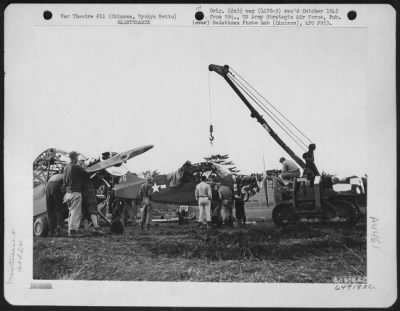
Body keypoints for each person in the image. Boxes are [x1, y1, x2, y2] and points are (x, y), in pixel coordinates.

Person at [63, 151, 89, 237]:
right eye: (77, 157)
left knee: (71, 212)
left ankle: (70, 230)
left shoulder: (66, 167)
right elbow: (87, 172)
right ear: (75, 158)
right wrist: (83, 166)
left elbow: (64, 182)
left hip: (68, 193)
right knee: (75, 212)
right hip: (75, 192)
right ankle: (73, 231)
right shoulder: (76, 167)